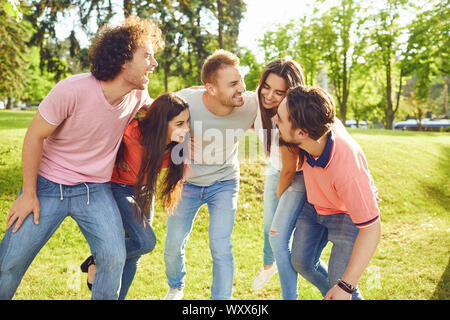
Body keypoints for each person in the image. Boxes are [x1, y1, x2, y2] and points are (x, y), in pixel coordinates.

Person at [0, 16, 163, 300]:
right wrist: (28, 193)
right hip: (48, 186)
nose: (154, 62)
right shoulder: (72, 90)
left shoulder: (138, 94)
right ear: (124, 59)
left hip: (95, 191)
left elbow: (162, 112)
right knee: (9, 264)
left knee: (113, 259)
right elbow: (34, 136)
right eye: (147, 55)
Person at [163, 50, 258, 300]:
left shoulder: (250, 104)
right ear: (211, 88)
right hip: (187, 183)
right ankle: (176, 286)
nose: (242, 89)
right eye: (233, 84)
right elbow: (151, 116)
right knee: (173, 244)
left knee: (220, 245)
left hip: (225, 181)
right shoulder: (185, 101)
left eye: (241, 81)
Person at [272, 85, 381, 300]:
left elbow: (372, 230)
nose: (275, 120)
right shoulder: (314, 125)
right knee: (301, 261)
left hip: (346, 215)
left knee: (341, 283)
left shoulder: (347, 169)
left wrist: (346, 286)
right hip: (314, 206)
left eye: (281, 119)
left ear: (302, 133)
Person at [81, 93, 190, 299]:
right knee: (145, 242)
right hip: (118, 188)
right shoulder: (133, 133)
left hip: (144, 190)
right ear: (160, 123)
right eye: (179, 123)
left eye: (187, 122)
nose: (186, 128)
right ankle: (97, 259)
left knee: (134, 256)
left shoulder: (176, 145)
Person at [250, 58, 308, 300]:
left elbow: (290, 169)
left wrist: (279, 194)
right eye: (266, 86)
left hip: (297, 175)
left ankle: (289, 295)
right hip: (275, 169)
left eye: (279, 92)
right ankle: (268, 265)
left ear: (290, 93)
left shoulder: (290, 116)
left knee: (278, 235)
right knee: (268, 227)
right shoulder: (259, 107)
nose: (269, 95)